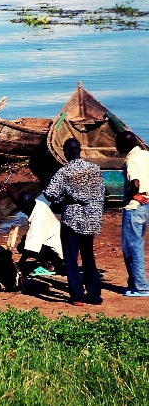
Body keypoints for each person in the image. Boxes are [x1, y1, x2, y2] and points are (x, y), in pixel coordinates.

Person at [42, 138, 105, 306]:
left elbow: (49, 193)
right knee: (89, 258)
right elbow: (101, 193)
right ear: (80, 150)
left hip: (72, 220)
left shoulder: (64, 172)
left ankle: (77, 296)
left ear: (66, 152)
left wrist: (64, 197)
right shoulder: (95, 169)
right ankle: (94, 295)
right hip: (91, 220)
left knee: (71, 259)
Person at [117, 131, 149, 298]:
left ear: (125, 144)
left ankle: (141, 287)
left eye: (118, 143)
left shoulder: (131, 160)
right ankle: (135, 283)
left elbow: (134, 182)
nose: (116, 146)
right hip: (145, 207)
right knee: (135, 245)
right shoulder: (145, 154)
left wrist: (134, 194)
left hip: (134, 207)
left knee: (132, 247)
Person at [8, 190, 64, 276]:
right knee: (25, 239)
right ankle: (52, 262)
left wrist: (19, 265)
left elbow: (29, 250)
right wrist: (8, 191)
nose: (21, 211)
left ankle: (48, 266)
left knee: (23, 247)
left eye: (22, 208)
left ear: (27, 205)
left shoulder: (37, 220)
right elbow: (20, 202)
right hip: (60, 242)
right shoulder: (38, 204)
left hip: (58, 252)